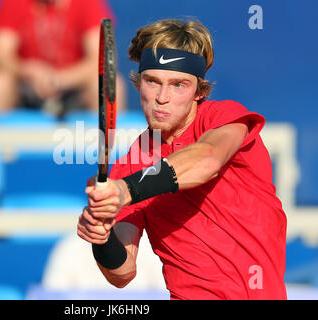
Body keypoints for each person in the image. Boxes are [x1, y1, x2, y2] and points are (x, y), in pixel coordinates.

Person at [77, 19, 287, 300]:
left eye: (178, 85)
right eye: (152, 82)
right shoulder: (131, 163)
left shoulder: (225, 119)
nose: (162, 97)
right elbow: (123, 271)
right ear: (139, 84)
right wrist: (101, 238)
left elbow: (207, 160)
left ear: (199, 92)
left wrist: (126, 190)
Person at [0, 0, 127, 118]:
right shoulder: (13, 3)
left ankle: (109, 151)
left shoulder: (88, 3)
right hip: (26, 87)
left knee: (110, 85)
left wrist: (59, 79)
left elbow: (103, 59)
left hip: (73, 89)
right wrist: (29, 72)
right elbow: (0, 56)